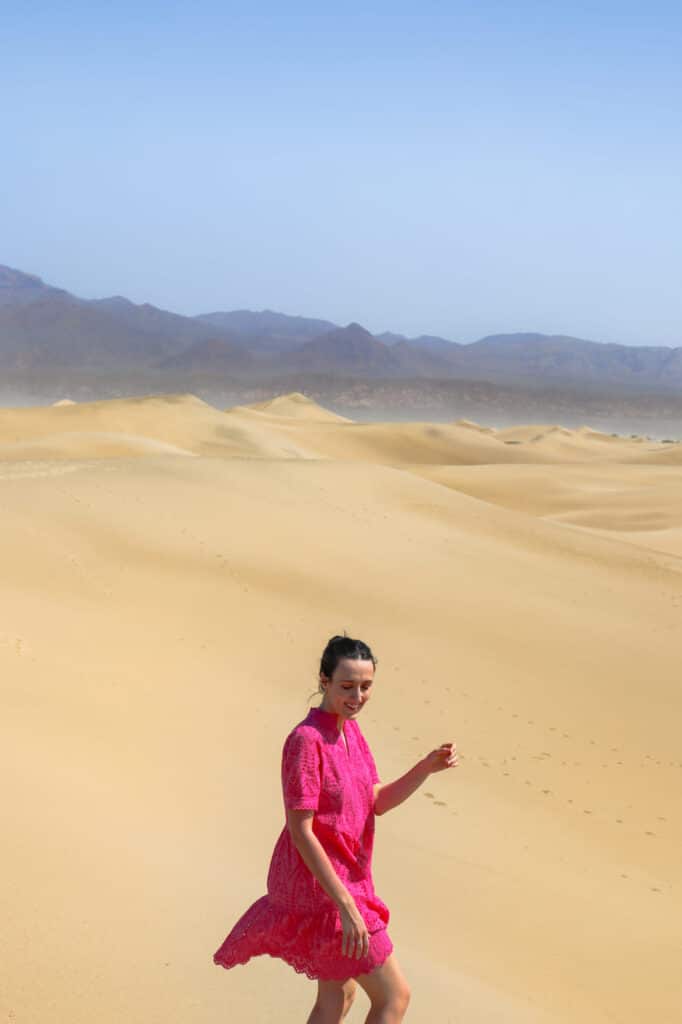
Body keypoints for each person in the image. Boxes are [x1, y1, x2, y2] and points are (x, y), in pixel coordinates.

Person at [212, 633, 458, 1022]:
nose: (357, 695)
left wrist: (424, 769)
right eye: (347, 686)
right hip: (323, 889)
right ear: (324, 681)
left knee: (338, 996)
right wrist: (345, 905)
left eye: (366, 686)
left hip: (349, 880)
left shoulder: (350, 731)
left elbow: (376, 801)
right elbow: (300, 829)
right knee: (394, 996)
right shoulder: (305, 741)